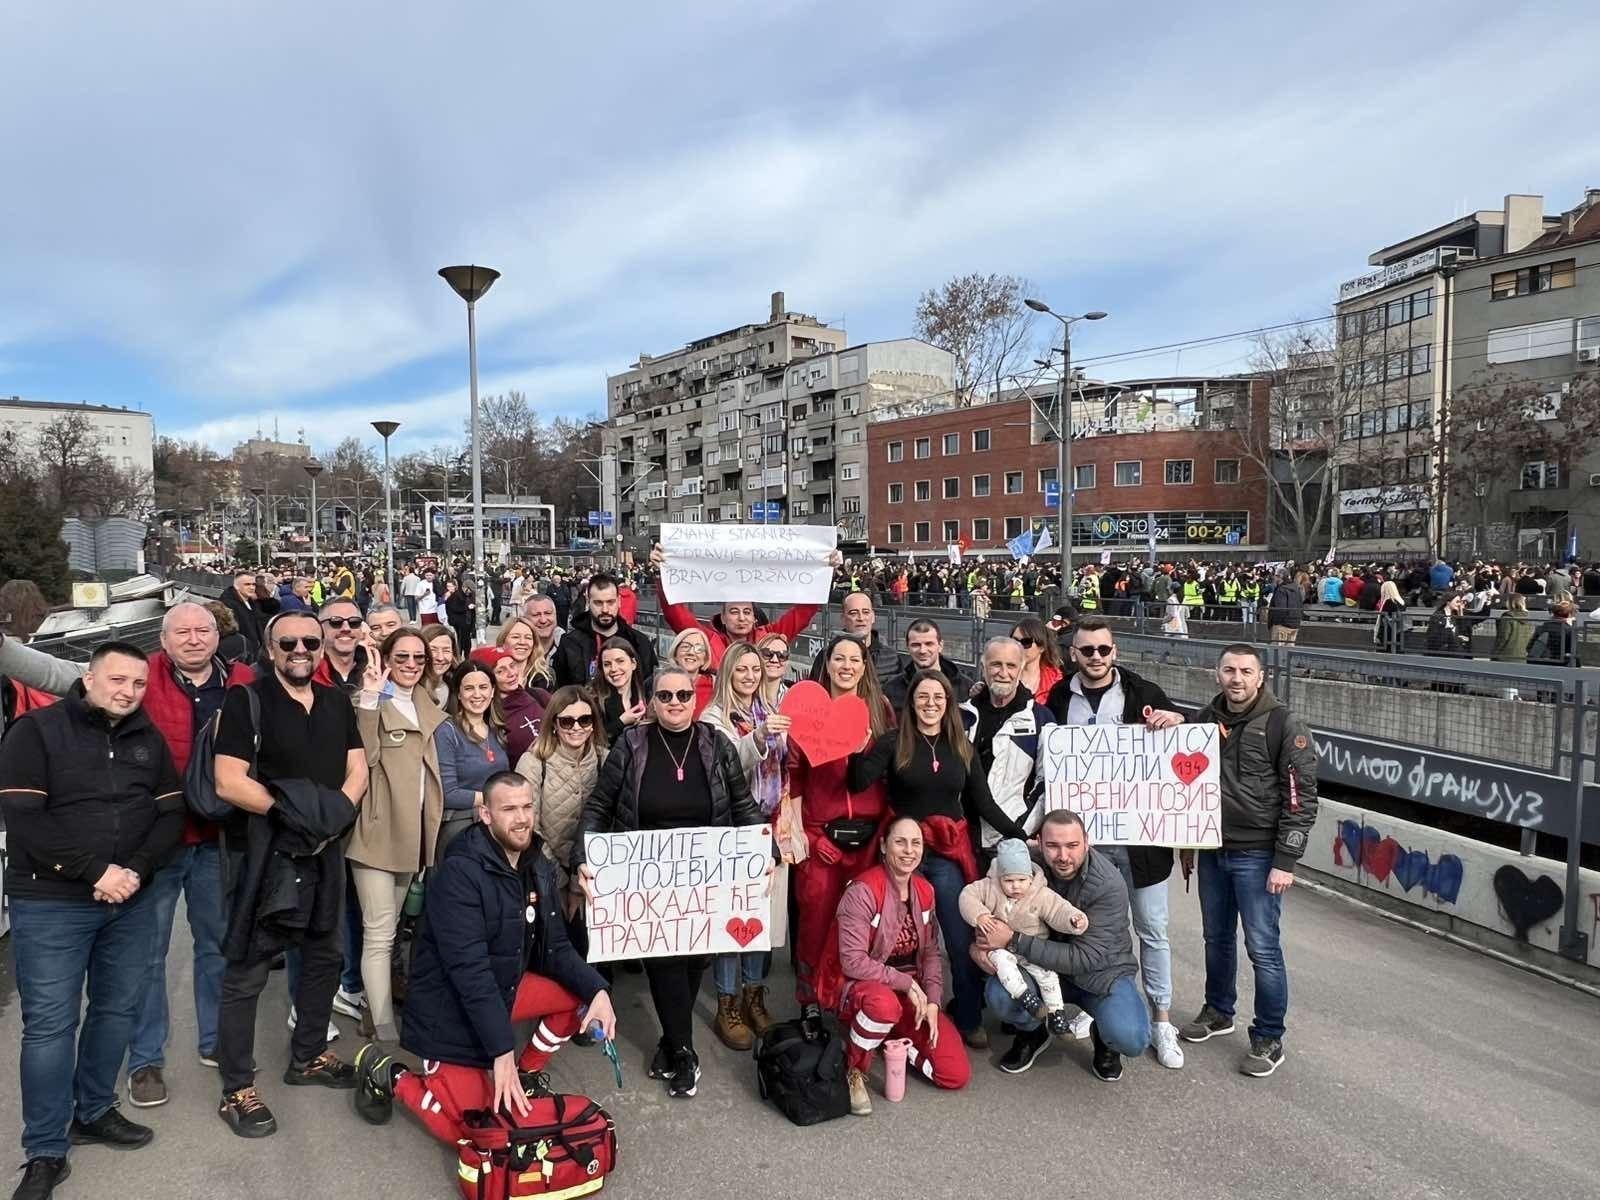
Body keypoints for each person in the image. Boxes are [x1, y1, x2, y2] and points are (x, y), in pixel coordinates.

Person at [350, 773, 617, 1163]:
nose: (521, 817)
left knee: (576, 995)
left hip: (502, 992)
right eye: (509, 808)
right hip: (452, 1010)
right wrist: (501, 1050)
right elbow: (469, 973)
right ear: (485, 814)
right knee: (470, 1133)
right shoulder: (460, 873)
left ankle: (524, 1076)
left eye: (527, 807)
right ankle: (388, 1074)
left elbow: (556, 947)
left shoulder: (536, 864)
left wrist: (598, 990)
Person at [0, 643, 185, 1199]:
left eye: (137, 684)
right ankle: (45, 1149)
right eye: (117, 680)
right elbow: (22, 816)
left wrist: (135, 869)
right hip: (51, 901)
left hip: (128, 899)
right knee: (51, 1025)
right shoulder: (36, 732)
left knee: (115, 1009)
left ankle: (95, 1110)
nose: (127, 691)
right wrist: (93, 872)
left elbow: (170, 810)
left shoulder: (145, 738)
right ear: (88, 677)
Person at [576, 667, 765, 1099]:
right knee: (663, 962)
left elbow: (741, 803)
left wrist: (765, 850)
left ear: (694, 700)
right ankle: (684, 1052)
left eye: (683, 694)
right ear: (653, 700)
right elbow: (600, 805)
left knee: (693, 961)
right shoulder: (632, 743)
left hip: (704, 875)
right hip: (647, 877)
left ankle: (667, 1041)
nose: (675, 702)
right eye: (665, 696)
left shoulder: (716, 745)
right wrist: (585, 857)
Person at [213, 611, 369, 1137]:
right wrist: (295, 817)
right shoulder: (247, 700)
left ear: (322, 647)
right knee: (249, 969)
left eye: (310, 641)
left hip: (324, 848)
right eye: (288, 642)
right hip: (269, 853)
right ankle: (237, 1087)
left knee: (326, 953)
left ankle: (307, 1057)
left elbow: (358, 767)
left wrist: (334, 818)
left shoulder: (334, 701)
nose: (300, 649)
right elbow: (228, 781)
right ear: (270, 647)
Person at [848, 670, 1029, 1050]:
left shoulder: (961, 746)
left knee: (959, 934)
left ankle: (968, 1013)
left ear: (948, 704)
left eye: (938, 697)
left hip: (946, 853)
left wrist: (1024, 836)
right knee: (892, 934)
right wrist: (854, 746)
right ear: (911, 702)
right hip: (903, 851)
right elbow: (858, 782)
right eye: (922, 697)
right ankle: (888, 1005)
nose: (930, 704)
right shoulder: (892, 742)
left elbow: (984, 803)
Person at [1042, 616, 1189, 1069]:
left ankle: (1161, 1018)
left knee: (1152, 930)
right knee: (1080, 928)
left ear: (1115, 652)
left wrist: (1178, 719)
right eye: (1087, 650)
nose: (1096, 658)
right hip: (1083, 845)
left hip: (1139, 843)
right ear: (1073, 654)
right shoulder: (1058, 697)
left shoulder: (1143, 694)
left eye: (1103, 650)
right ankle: (1094, 1008)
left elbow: (1189, 733)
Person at [1180, 644, 1319, 1078]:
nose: (1236, 679)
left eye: (1245, 671)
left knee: (1262, 948)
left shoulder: (1284, 724)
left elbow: (1302, 798)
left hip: (1259, 854)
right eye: (1228, 670)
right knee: (1215, 938)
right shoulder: (1203, 721)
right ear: (1216, 674)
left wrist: (1286, 860)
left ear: (1261, 677)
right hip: (1212, 849)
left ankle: (1269, 1036)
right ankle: (1219, 1010)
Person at [976, 811, 1151, 1079]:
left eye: (1072, 845)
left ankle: (1104, 1038)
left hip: (1100, 973)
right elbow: (985, 902)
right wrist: (977, 946)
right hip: (1038, 968)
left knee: (1131, 1037)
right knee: (999, 995)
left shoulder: (1108, 885)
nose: (1063, 856)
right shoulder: (1022, 868)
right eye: (1053, 846)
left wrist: (1013, 939)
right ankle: (1033, 1031)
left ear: (1087, 842)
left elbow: (1084, 958)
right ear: (1038, 842)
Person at [817, 816, 972, 1116]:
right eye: (900, 841)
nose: (908, 850)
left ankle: (884, 1035)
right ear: (884, 845)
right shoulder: (862, 891)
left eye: (916, 843)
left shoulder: (925, 890)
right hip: (862, 985)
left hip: (908, 990)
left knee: (954, 1074)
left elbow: (929, 954)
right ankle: (854, 1068)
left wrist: (934, 1003)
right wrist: (906, 984)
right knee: (883, 1005)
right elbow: (853, 961)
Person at [787, 635, 893, 1026]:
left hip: (867, 836)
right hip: (822, 835)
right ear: (827, 663)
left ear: (865, 666)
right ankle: (810, 997)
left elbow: (888, 770)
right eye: (839, 658)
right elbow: (794, 777)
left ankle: (854, 996)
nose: (847, 666)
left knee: (861, 925)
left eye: (855, 659)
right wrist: (809, 837)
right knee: (815, 921)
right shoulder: (808, 710)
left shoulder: (880, 710)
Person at [349, 627, 447, 1040]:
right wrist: (370, 697)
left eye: (418, 659)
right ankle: (385, 1027)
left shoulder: (427, 700)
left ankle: (378, 1006)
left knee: (392, 932)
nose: (410, 665)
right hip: (377, 833)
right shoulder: (370, 701)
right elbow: (364, 756)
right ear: (385, 659)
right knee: (379, 931)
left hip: (416, 835)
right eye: (401, 657)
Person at [699, 641, 791, 1050]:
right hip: (733, 831)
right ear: (727, 673)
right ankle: (727, 1003)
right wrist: (756, 738)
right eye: (742, 669)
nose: (752, 675)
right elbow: (721, 766)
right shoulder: (715, 716)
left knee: (761, 923)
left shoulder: (771, 710)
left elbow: (788, 765)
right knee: (732, 922)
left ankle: (755, 997)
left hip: (771, 828)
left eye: (756, 668)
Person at [960, 838, 1087, 1036]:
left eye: (1021, 880)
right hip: (999, 949)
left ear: (1030, 877)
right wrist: (980, 915)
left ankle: (1056, 1014)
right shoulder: (988, 887)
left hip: (1031, 948)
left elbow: (1058, 909)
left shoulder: (1040, 893)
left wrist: (1073, 919)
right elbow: (967, 896)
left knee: (1048, 976)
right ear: (999, 877)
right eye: (1008, 881)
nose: (1015, 886)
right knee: (1003, 965)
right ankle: (1026, 997)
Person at [515, 685, 605, 964]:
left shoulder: (605, 759)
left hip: (592, 876)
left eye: (584, 720)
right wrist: (562, 880)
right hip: (547, 873)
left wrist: (579, 885)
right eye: (567, 721)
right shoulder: (533, 762)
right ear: (554, 723)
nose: (576, 727)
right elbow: (527, 826)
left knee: (593, 959)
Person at [652, 544, 826, 668]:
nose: (742, 618)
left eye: (747, 612)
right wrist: (663, 573)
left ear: (754, 618)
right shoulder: (708, 641)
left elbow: (802, 614)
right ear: (723, 618)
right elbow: (677, 617)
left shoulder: (769, 637)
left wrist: (823, 571)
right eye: (734, 612)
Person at [959, 636, 1054, 857]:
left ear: (1021, 669)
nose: (1003, 672)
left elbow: (1046, 782)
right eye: (996, 664)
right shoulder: (960, 716)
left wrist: (1020, 829)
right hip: (960, 835)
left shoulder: (1040, 718)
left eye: (1010, 665)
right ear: (983, 667)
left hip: (1011, 838)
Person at [432, 659, 507, 859]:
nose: (477, 694)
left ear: (492, 691)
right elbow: (448, 794)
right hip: (461, 827)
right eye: (469, 688)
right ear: (458, 693)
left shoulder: (497, 731)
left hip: (496, 825)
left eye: (483, 687)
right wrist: (498, 797)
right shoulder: (447, 731)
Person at [552, 572, 657, 688]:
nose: (605, 609)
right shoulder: (569, 644)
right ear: (588, 601)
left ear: (619, 601)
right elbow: (562, 692)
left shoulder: (639, 643)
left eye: (610, 602)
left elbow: (648, 689)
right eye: (598, 603)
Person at [808, 591, 900, 687]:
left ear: (873, 617)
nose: (860, 618)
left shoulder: (892, 656)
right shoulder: (826, 655)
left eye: (866, 612)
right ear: (843, 618)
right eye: (853, 613)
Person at [887, 618, 972, 711]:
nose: (922, 650)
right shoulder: (891, 689)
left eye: (929, 644)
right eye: (916, 645)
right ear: (907, 647)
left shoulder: (966, 687)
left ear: (940, 646)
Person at [592, 635, 648, 743]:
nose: (613, 669)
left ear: (633, 664)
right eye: (607, 664)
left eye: (620, 661)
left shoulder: (645, 694)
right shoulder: (593, 699)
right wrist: (621, 722)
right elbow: (592, 739)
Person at [310, 598, 371, 692]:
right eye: (336, 622)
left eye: (354, 622)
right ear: (320, 628)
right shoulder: (307, 672)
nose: (346, 628)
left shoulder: (377, 668)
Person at [1009, 616, 1062, 705]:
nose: (1018, 646)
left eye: (1026, 642)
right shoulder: (1002, 673)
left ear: (1041, 647)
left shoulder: (1055, 679)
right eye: (1014, 641)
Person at [668, 627, 716, 718]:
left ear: (705, 658)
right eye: (685, 646)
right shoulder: (660, 683)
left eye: (699, 649)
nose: (691, 652)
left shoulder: (716, 685)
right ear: (675, 654)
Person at [522, 593, 562, 689]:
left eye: (548, 613)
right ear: (524, 619)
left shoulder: (571, 647)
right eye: (536, 615)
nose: (543, 620)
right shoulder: (518, 651)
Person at [1527, 598, 1578, 666]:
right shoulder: (1569, 630)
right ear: (1569, 615)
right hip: (1559, 664)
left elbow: (1529, 647)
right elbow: (1573, 653)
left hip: (1538, 662)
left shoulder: (1541, 627)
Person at [418, 622, 459, 706]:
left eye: (446, 650)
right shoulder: (410, 691)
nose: (440, 657)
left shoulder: (455, 686)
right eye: (433, 650)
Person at [1492, 593, 1536, 663]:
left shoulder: (1506, 619)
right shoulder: (1527, 620)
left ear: (1509, 603)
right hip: (1521, 657)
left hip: (1504, 657)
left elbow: (1502, 638)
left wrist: (1494, 654)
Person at [1266, 571, 1303, 644]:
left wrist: (1275, 622)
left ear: (1280, 577)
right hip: (1295, 622)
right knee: (1289, 649)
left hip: (1282, 624)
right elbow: (1300, 604)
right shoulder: (1296, 588)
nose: (1274, 578)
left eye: (1276, 576)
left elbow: (1280, 608)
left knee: (1277, 650)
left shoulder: (1281, 589)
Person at [445, 575, 477, 651]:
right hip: (459, 622)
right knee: (461, 640)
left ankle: (467, 654)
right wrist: (467, 608)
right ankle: (460, 654)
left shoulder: (469, 595)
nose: (470, 592)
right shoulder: (456, 595)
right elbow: (454, 608)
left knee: (467, 640)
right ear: (465, 588)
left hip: (467, 622)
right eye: (469, 590)